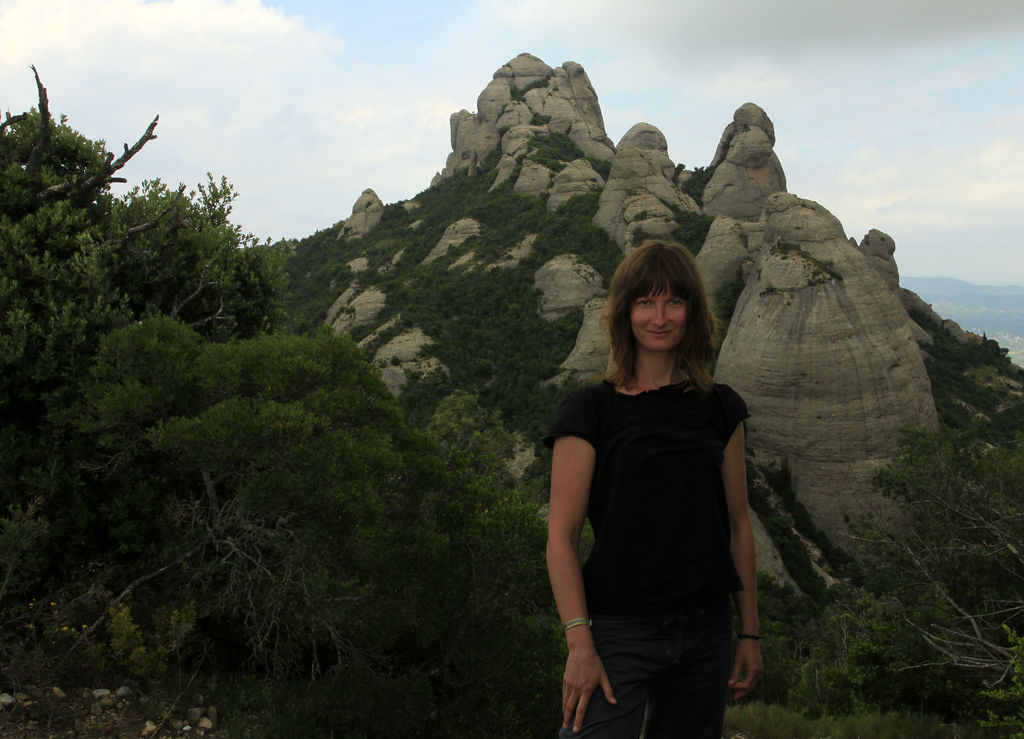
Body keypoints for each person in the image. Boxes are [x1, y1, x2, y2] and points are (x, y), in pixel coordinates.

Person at [544, 239, 762, 738]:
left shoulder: (721, 408)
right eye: (645, 302)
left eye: (673, 301)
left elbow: (738, 523)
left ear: (692, 311)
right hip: (619, 631)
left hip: (706, 631)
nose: (659, 317)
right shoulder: (589, 411)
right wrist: (579, 643)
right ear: (626, 312)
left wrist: (748, 632)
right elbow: (561, 536)